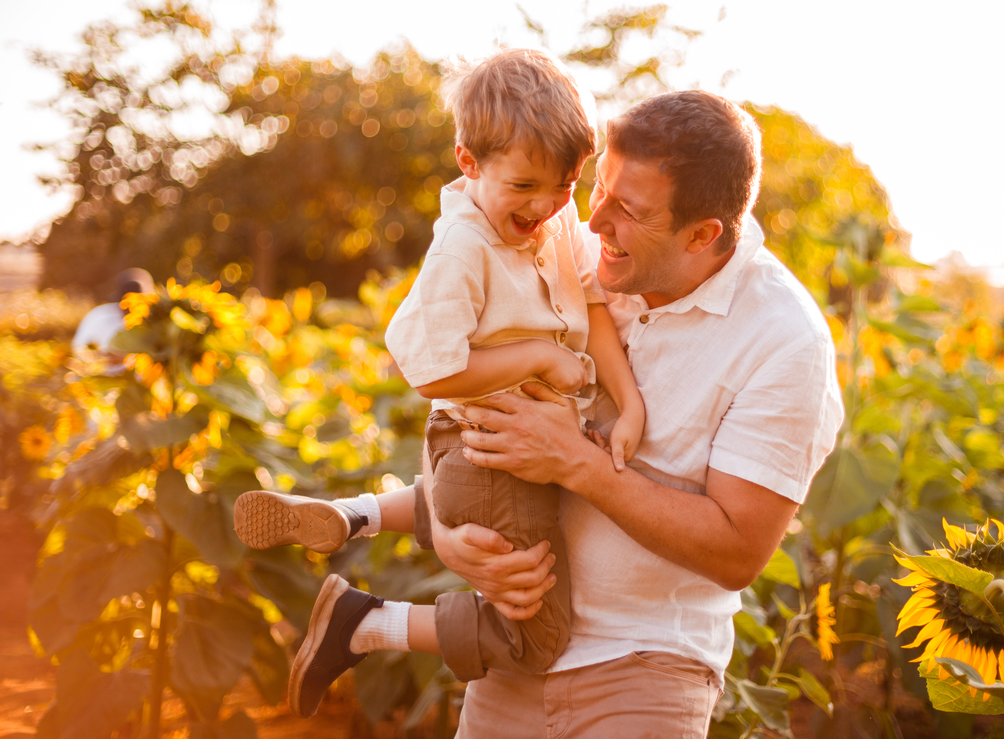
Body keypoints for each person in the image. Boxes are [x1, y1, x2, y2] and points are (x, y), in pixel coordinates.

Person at [412, 90, 844, 736]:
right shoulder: (564, 248)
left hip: (647, 667)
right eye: (599, 188)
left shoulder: (785, 341)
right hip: (513, 647)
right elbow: (457, 393)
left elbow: (737, 551)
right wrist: (450, 542)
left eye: (628, 211)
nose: (591, 222)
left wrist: (580, 465)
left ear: (702, 235)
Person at [232, 48, 646, 718]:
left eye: (565, 186)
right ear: (469, 163)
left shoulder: (554, 218)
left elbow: (593, 305)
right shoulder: (464, 248)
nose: (545, 205)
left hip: (495, 452)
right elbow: (435, 372)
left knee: (466, 492)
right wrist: (540, 356)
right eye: (524, 187)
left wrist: (627, 407)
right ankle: (365, 623)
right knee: (538, 634)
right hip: (489, 449)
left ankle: (354, 515)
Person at [72, 268, 154, 374]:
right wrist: (100, 357)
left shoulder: (153, 322)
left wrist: (128, 359)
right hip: (101, 380)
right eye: (127, 305)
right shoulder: (100, 317)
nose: (130, 311)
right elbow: (78, 350)